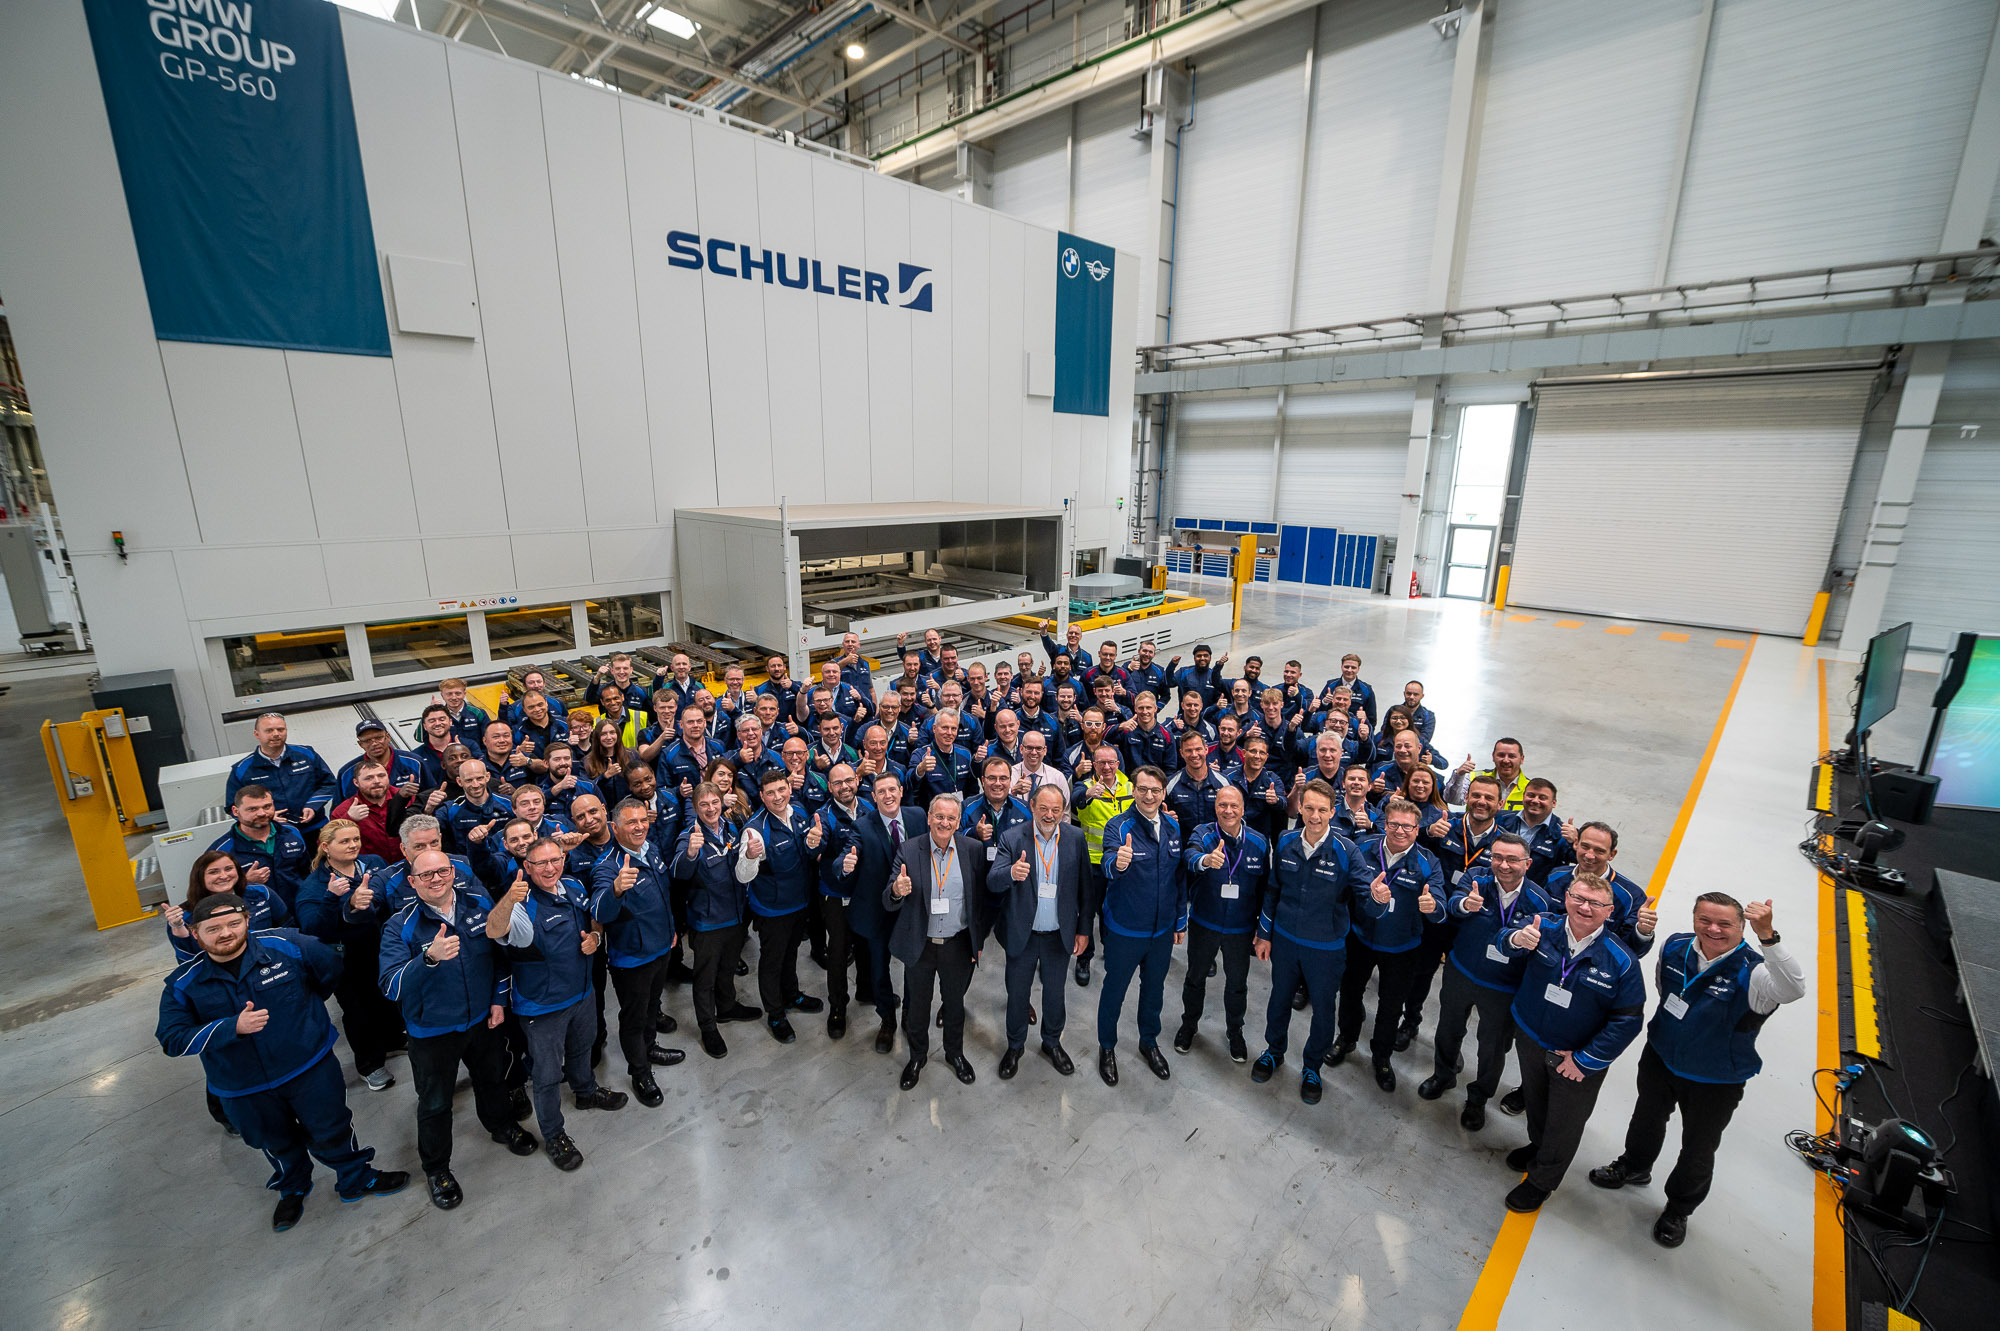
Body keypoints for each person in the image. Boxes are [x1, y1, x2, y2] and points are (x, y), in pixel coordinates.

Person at [156, 894, 409, 1230]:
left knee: (332, 1127)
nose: (226, 933)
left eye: (233, 923)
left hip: (309, 1066)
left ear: (247, 920)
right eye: (213, 928)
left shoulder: (287, 945)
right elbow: (172, 1038)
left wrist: (307, 1013)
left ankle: (355, 1177)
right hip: (243, 1085)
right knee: (274, 1141)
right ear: (195, 933)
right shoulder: (184, 983)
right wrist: (231, 1027)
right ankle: (293, 1188)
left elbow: (330, 969)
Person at [1588, 894, 1805, 1247]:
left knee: (1698, 1147)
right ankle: (1635, 1166)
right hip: (1661, 1056)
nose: (1713, 929)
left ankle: (1679, 1208)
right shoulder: (1675, 947)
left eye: (1724, 924)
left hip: (1715, 1078)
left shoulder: (1755, 971)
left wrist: (1769, 936)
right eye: (1705, 920)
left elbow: (1793, 989)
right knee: (1646, 1118)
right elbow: (1664, 989)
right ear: (1693, 919)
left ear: (1742, 926)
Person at [378, 849, 538, 1208]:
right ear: (412, 881)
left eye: (442, 871)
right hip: (432, 1033)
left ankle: (501, 1126)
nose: (436, 879)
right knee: (435, 1103)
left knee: (492, 1080)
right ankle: (437, 1169)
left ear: (453, 872)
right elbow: (390, 986)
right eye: (426, 875)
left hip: (483, 1021)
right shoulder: (399, 925)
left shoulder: (478, 904)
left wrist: (497, 1000)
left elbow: (499, 957)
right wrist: (428, 958)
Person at [1495, 873, 1646, 1213]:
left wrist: (1585, 1060)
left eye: (1595, 903)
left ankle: (1541, 1182)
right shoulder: (1542, 926)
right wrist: (1516, 938)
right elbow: (1502, 940)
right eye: (1578, 898)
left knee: (1564, 1121)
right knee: (1535, 1102)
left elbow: (1628, 1020)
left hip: (1574, 1057)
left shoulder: (1621, 960)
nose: (1584, 907)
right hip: (1531, 1038)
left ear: (1609, 911)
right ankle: (1538, 1146)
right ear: (1566, 898)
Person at [487, 839, 627, 1171]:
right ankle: (554, 1135)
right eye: (540, 863)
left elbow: (594, 918)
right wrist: (509, 898)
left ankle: (586, 1091)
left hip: (582, 994)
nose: (550, 868)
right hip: (543, 1006)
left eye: (555, 860)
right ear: (527, 867)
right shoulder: (522, 903)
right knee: (548, 1074)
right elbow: (494, 929)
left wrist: (596, 937)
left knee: (582, 1048)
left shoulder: (574, 885)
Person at [1419, 832, 1547, 1131]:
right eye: (1498, 857)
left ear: (1527, 864)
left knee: (1492, 1046)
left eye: (1512, 859)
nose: (1503, 865)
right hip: (1461, 971)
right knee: (1448, 1028)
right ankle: (1443, 1075)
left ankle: (1478, 1098)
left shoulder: (1540, 901)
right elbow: (1453, 904)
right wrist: (1466, 904)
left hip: (1502, 986)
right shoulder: (1477, 878)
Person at [1251, 779, 1355, 1106]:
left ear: (1332, 812)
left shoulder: (1346, 850)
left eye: (1322, 809)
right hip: (1285, 940)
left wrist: (1379, 897)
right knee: (1279, 999)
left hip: (1325, 947)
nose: (1314, 815)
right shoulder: (1285, 841)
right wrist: (1264, 934)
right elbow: (1272, 890)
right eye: (1308, 808)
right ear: (1299, 808)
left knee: (1323, 1009)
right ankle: (1274, 1050)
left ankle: (1312, 1067)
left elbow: (1366, 892)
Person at [1332, 798, 1446, 1092]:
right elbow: (1342, 887)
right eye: (1393, 824)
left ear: (1417, 829)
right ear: (1384, 824)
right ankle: (1346, 1038)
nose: (1399, 831)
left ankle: (1381, 1056)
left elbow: (1440, 906)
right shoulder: (1363, 848)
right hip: (1360, 938)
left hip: (1401, 947)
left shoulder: (1428, 862)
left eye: (1407, 826)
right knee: (1350, 993)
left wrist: (1432, 906)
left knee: (1391, 1004)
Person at [1396, 773, 1515, 1054]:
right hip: (1436, 918)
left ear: (1501, 803)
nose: (1481, 801)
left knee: (1460, 989)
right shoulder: (1445, 825)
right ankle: (1410, 1022)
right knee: (1420, 974)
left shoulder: (1504, 843)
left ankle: (1452, 1045)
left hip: (1472, 925)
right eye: (1476, 795)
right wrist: (1426, 833)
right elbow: (1414, 852)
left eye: (1489, 798)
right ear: (1466, 797)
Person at [985, 783, 1090, 1078]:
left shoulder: (1075, 837)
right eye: (1043, 808)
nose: (1049, 815)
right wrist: (1011, 873)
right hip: (1023, 934)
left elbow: (1086, 889)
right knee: (1018, 995)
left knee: (1055, 995)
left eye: (1056, 809)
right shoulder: (1011, 837)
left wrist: (1083, 930)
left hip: (1059, 934)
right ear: (1032, 806)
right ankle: (1015, 1046)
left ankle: (1052, 1042)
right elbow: (993, 881)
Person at [294, 819, 405, 1092]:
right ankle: (370, 1065)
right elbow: (313, 930)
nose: (353, 845)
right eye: (344, 841)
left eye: (355, 839)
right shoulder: (315, 886)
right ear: (325, 847)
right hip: (347, 957)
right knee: (359, 1010)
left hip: (382, 947)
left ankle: (393, 1039)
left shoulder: (373, 863)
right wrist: (334, 900)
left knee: (388, 998)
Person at [589, 800, 687, 1107]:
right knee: (634, 1017)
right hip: (632, 959)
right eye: (631, 822)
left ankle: (650, 1047)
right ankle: (640, 1072)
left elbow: (664, 896)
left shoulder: (651, 849)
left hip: (661, 948)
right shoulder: (607, 867)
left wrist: (671, 931)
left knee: (652, 1008)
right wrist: (616, 889)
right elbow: (599, 911)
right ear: (615, 828)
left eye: (643, 820)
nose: (640, 826)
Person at [883, 793, 984, 1090]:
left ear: (958, 822)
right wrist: (897, 890)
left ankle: (955, 1054)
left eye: (951, 818)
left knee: (954, 1005)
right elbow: (888, 898)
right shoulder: (909, 849)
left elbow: (980, 902)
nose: (944, 823)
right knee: (918, 1007)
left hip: (957, 945)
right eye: (939, 816)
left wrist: (977, 940)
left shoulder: (973, 850)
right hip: (921, 944)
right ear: (928, 818)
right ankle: (917, 1057)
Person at [1094, 766, 1185, 1086]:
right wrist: (1117, 863)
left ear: (1164, 793)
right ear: (1133, 791)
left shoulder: (1173, 826)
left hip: (1161, 931)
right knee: (1115, 990)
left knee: (1153, 991)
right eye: (1143, 789)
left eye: (1155, 790)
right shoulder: (1118, 826)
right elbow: (1107, 863)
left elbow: (1178, 878)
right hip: (1126, 929)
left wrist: (1180, 920)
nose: (1149, 796)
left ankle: (1149, 1042)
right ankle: (1107, 1046)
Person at [1175, 784, 1269, 1063]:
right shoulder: (1203, 834)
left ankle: (1235, 1031)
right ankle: (1189, 1024)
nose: (1228, 811)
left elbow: (1266, 888)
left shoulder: (1259, 842)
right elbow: (1190, 856)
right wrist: (1205, 860)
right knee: (1195, 978)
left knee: (1237, 984)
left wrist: (1263, 930)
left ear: (1243, 809)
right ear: (1215, 808)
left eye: (1234, 806)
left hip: (1241, 928)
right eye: (1222, 805)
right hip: (1205, 922)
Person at [734, 767, 827, 1042]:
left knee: (791, 953)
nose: (778, 797)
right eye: (771, 793)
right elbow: (742, 876)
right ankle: (775, 1013)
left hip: (799, 902)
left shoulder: (798, 813)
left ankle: (791, 994)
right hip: (772, 909)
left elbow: (807, 852)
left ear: (789, 788)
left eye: (781, 789)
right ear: (762, 796)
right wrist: (750, 857)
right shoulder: (755, 830)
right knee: (772, 961)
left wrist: (814, 843)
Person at [672, 781, 760, 1058]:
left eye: (714, 802)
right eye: (704, 804)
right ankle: (708, 1027)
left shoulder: (732, 828)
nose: (710, 809)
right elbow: (678, 872)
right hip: (707, 921)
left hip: (735, 916)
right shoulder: (690, 836)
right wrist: (690, 853)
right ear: (695, 807)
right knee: (705, 978)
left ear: (721, 802)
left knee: (727, 968)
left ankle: (727, 1007)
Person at [1069, 745, 1134, 987]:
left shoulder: (1130, 787)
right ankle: (1084, 957)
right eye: (1101, 763)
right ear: (1094, 765)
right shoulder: (1085, 786)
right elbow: (1076, 801)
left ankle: (1112, 950)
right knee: (1087, 911)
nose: (1106, 767)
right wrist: (1088, 795)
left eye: (1111, 762)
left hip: (1120, 864)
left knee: (1114, 911)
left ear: (1118, 763)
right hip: (1092, 863)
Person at [1545, 822, 1657, 957]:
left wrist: (1642, 932)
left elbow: (1631, 953)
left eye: (1599, 851)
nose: (1589, 855)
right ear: (1576, 844)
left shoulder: (1632, 896)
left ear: (1612, 854)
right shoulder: (1555, 876)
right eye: (1585, 846)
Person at [226, 712, 338, 832]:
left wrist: (313, 805)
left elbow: (329, 784)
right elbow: (233, 806)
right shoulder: (242, 769)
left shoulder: (307, 754)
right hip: (274, 833)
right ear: (257, 734)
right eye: (269, 730)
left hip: (315, 827)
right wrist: (265, 817)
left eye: (280, 729)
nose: (276, 734)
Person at [208, 784, 313, 910]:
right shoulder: (222, 850)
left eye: (267, 806)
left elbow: (307, 873)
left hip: (300, 908)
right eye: (252, 809)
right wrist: (245, 881)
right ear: (236, 811)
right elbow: (209, 895)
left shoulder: (292, 833)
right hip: (256, 915)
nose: (262, 813)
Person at [331, 759, 413, 863]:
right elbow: (328, 846)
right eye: (368, 778)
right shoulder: (343, 810)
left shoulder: (408, 798)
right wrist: (349, 819)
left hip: (409, 863)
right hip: (371, 869)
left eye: (381, 776)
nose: (377, 781)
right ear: (356, 782)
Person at [336, 718, 424, 801]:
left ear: (388, 737)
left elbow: (428, 794)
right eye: (367, 740)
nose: (374, 743)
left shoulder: (414, 762)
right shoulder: (346, 774)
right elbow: (338, 808)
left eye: (378, 738)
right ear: (360, 744)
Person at [1512, 777, 1573, 886]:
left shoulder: (1563, 835)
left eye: (1542, 797)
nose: (1535, 801)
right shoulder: (1501, 820)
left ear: (1554, 803)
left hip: (1536, 893)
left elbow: (1582, 864)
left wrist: (1575, 843)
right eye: (1531, 795)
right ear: (1523, 797)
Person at [1445, 737, 1530, 811]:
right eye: (1501, 755)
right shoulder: (1474, 777)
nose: (1506, 760)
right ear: (1493, 756)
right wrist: (1459, 775)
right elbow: (1453, 800)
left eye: (1511, 756)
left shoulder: (1530, 788)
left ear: (1522, 759)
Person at [437, 677, 492, 751]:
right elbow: (424, 739)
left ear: (464, 694)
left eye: (458, 693)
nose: (454, 697)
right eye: (449, 694)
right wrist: (432, 711)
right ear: (442, 696)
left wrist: (481, 756)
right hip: (449, 757)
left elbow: (489, 740)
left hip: (476, 756)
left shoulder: (478, 713)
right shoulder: (437, 717)